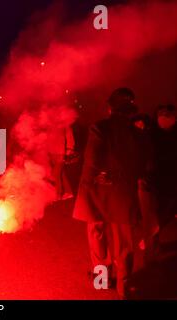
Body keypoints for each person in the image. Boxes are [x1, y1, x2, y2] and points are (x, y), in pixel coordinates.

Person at [73, 88, 152, 299]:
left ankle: (102, 280)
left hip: (98, 191)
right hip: (124, 193)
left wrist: (89, 187)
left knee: (97, 237)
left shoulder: (99, 127)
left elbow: (91, 161)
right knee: (124, 241)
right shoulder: (139, 132)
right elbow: (144, 163)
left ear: (110, 108)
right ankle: (124, 286)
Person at [151, 104, 177, 227]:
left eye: (168, 115)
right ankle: (150, 238)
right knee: (164, 210)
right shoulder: (152, 135)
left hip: (172, 178)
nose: (165, 118)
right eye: (162, 115)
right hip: (160, 180)